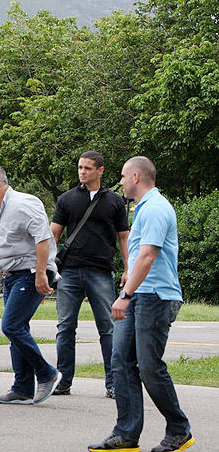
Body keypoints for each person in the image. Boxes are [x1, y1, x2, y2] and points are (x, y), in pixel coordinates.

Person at [88, 157, 193, 452]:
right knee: (121, 361)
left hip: (155, 296)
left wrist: (126, 294)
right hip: (139, 294)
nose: (120, 182)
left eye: (122, 176)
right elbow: (139, 255)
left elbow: (149, 255)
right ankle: (126, 434)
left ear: (136, 176)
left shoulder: (157, 208)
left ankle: (178, 429)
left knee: (149, 367)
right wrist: (129, 279)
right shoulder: (143, 208)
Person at [0, 164, 62, 405]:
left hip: (32, 271)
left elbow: (43, 239)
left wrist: (42, 273)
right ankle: (22, 387)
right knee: (18, 327)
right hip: (11, 275)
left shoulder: (25, 203)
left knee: (11, 325)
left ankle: (46, 373)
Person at [51, 151, 130, 398]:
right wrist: (48, 269)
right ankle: (63, 381)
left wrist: (128, 269)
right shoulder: (66, 199)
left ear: (100, 170)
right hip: (70, 271)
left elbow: (124, 237)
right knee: (65, 327)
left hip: (101, 270)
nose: (82, 172)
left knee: (108, 327)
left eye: (87, 168)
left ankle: (113, 382)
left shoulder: (115, 201)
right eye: (80, 167)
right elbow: (53, 234)